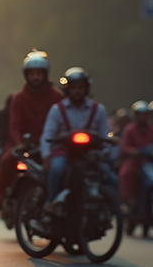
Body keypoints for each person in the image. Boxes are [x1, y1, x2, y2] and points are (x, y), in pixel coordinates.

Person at [0, 49, 64, 207]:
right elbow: (14, 125)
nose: (36, 77)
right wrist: (19, 144)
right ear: (26, 75)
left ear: (46, 74)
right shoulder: (19, 98)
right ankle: (0, 194)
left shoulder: (57, 97)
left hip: (51, 144)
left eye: (39, 73)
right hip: (25, 144)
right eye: (32, 74)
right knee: (7, 159)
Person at [38, 67, 112, 203]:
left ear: (86, 89)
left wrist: (107, 150)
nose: (77, 91)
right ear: (68, 89)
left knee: (110, 176)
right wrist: (47, 156)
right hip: (64, 153)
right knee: (57, 170)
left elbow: (105, 135)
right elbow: (47, 134)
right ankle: (51, 203)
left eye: (81, 87)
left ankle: (116, 207)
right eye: (74, 88)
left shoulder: (98, 110)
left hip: (90, 155)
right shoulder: (57, 109)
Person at [118, 101, 153, 209]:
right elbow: (124, 147)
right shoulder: (129, 129)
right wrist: (134, 152)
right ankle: (129, 199)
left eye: (145, 115)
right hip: (135, 161)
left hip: (151, 162)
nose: (143, 117)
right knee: (126, 173)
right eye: (140, 114)